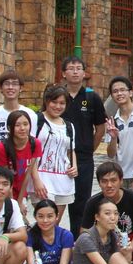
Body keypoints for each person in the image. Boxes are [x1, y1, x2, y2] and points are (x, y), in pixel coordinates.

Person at [59, 56, 106, 234]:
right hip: (59, 157)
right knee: (56, 201)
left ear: (84, 73)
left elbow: (100, 128)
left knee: (81, 204)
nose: (75, 72)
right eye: (71, 68)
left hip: (84, 158)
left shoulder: (92, 97)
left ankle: (78, 243)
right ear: (64, 73)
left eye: (79, 68)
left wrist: (89, 149)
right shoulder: (57, 96)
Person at [34, 84, 78, 225]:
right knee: (45, 222)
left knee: (55, 224)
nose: (58, 106)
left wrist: (75, 166)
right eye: (54, 102)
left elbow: (70, 150)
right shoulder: (36, 120)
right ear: (47, 101)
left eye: (62, 103)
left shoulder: (69, 126)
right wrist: (36, 180)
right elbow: (30, 152)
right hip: (42, 179)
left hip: (63, 180)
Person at [104, 76, 133, 193]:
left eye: (122, 90)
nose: (119, 93)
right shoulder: (113, 120)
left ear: (130, 93)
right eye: (115, 91)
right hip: (120, 177)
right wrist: (114, 138)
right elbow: (110, 154)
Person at [0, 110, 44, 210]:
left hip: (22, 190)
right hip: (5, 190)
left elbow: (28, 173)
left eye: (25, 124)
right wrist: (13, 204)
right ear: (9, 128)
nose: (22, 128)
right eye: (17, 125)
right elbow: (5, 178)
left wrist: (20, 201)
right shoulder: (2, 148)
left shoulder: (35, 143)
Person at [0, 70, 35, 142]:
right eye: (7, 84)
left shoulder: (30, 114)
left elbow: (32, 141)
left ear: (21, 88)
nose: (10, 87)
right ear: (1, 88)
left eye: (14, 84)